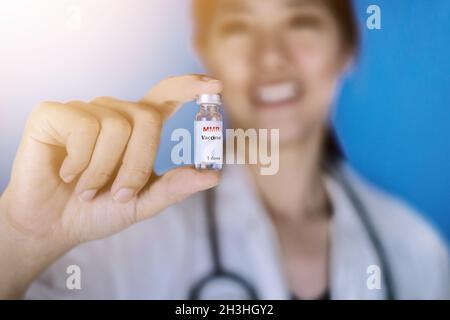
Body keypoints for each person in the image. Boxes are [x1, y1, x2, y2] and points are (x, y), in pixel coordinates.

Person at [0, 0, 448, 300]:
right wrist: (19, 239)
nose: (271, 55)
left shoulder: (414, 248)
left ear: (347, 47)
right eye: (239, 26)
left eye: (301, 21)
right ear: (205, 51)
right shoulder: (126, 238)